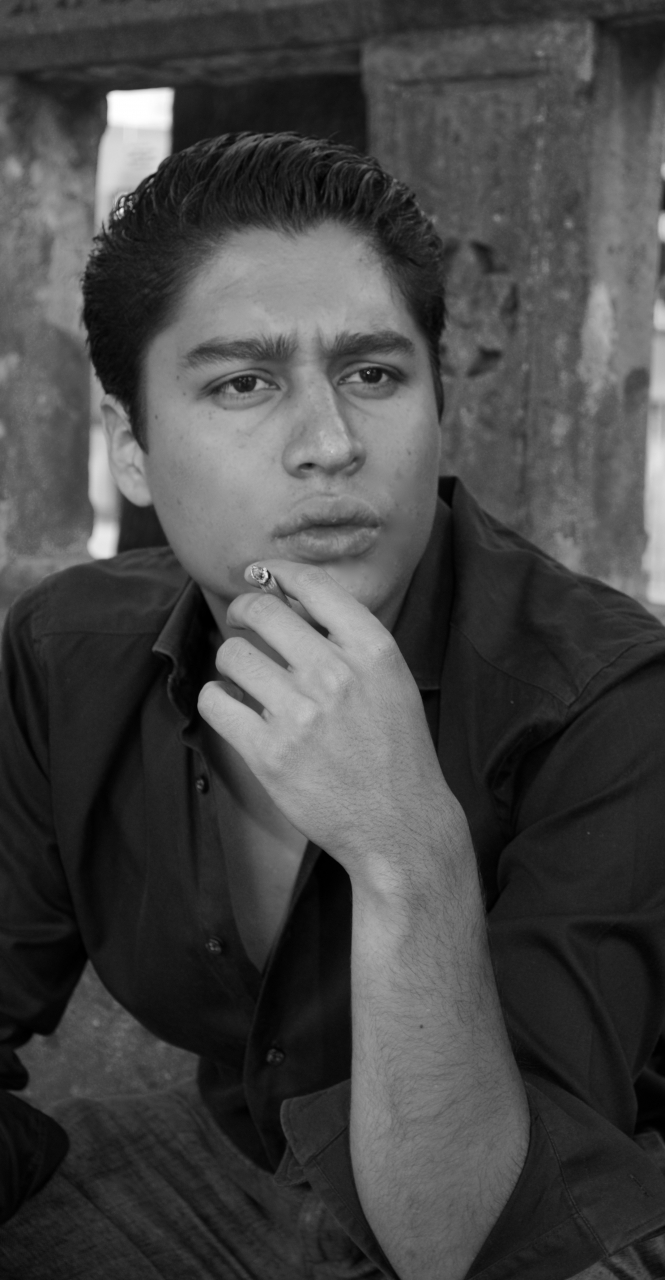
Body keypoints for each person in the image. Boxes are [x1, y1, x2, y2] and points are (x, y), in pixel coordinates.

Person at [1, 132, 665, 1280]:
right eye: (242, 383)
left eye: (372, 374)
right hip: (233, 1175)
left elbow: (473, 1237)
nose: (329, 445)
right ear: (130, 448)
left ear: (439, 401)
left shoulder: (606, 699)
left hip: (552, 1225)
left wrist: (407, 849)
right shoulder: (72, 654)